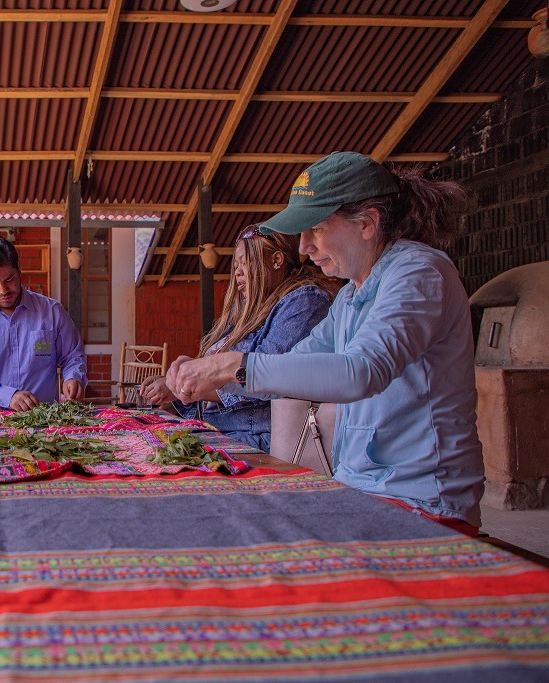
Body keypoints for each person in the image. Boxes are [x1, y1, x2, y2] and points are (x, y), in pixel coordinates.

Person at [166, 151, 484, 532]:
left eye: (315, 229)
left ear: (367, 223)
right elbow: (295, 367)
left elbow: (361, 372)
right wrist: (211, 374)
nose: (303, 247)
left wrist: (230, 365)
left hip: (421, 502)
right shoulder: (351, 296)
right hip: (362, 489)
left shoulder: (419, 273)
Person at [140, 227, 336, 451]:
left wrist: (189, 384)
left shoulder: (304, 302)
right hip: (221, 430)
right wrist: (179, 382)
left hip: (258, 439)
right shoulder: (248, 311)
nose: (238, 273)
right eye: (235, 267)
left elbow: (265, 380)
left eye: (244, 263)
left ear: (276, 259)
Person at [0, 233, 87, 411]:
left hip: (41, 422)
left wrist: (73, 377)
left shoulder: (51, 312)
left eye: (9, 279)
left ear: (19, 270)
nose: (3, 290)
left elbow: (72, 356)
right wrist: (7, 396)